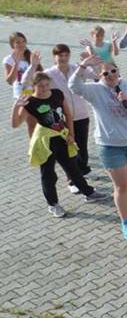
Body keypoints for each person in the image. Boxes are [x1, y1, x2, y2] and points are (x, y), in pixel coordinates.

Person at [70, 55, 127, 241]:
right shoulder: (94, 90)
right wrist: (82, 66)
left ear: (118, 71)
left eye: (113, 71)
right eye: (105, 73)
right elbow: (73, 86)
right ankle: (125, 222)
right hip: (111, 146)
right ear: (99, 76)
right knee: (121, 186)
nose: (111, 75)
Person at [10, 72, 105, 217]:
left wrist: (71, 135)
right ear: (34, 86)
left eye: (46, 85)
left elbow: (68, 114)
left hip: (62, 137)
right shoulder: (30, 102)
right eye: (40, 86)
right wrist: (15, 107)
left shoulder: (57, 94)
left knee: (73, 168)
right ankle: (53, 204)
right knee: (48, 174)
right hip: (45, 141)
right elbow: (15, 124)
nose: (44, 88)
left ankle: (88, 192)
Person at [46, 44, 93, 188]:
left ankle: (79, 174)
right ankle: (72, 180)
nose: (63, 58)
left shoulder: (77, 68)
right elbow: (30, 83)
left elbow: (97, 75)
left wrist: (89, 59)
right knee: (69, 151)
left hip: (81, 114)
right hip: (62, 119)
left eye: (66, 55)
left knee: (82, 151)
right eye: (60, 55)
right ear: (55, 57)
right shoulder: (49, 73)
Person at [4, 31, 33, 98]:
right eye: (18, 42)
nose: (22, 44)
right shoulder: (8, 60)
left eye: (23, 41)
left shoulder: (30, 56)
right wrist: (16, 64)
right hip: (20, 92)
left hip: (35, 91)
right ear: (12, 45)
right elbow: (10, 81)